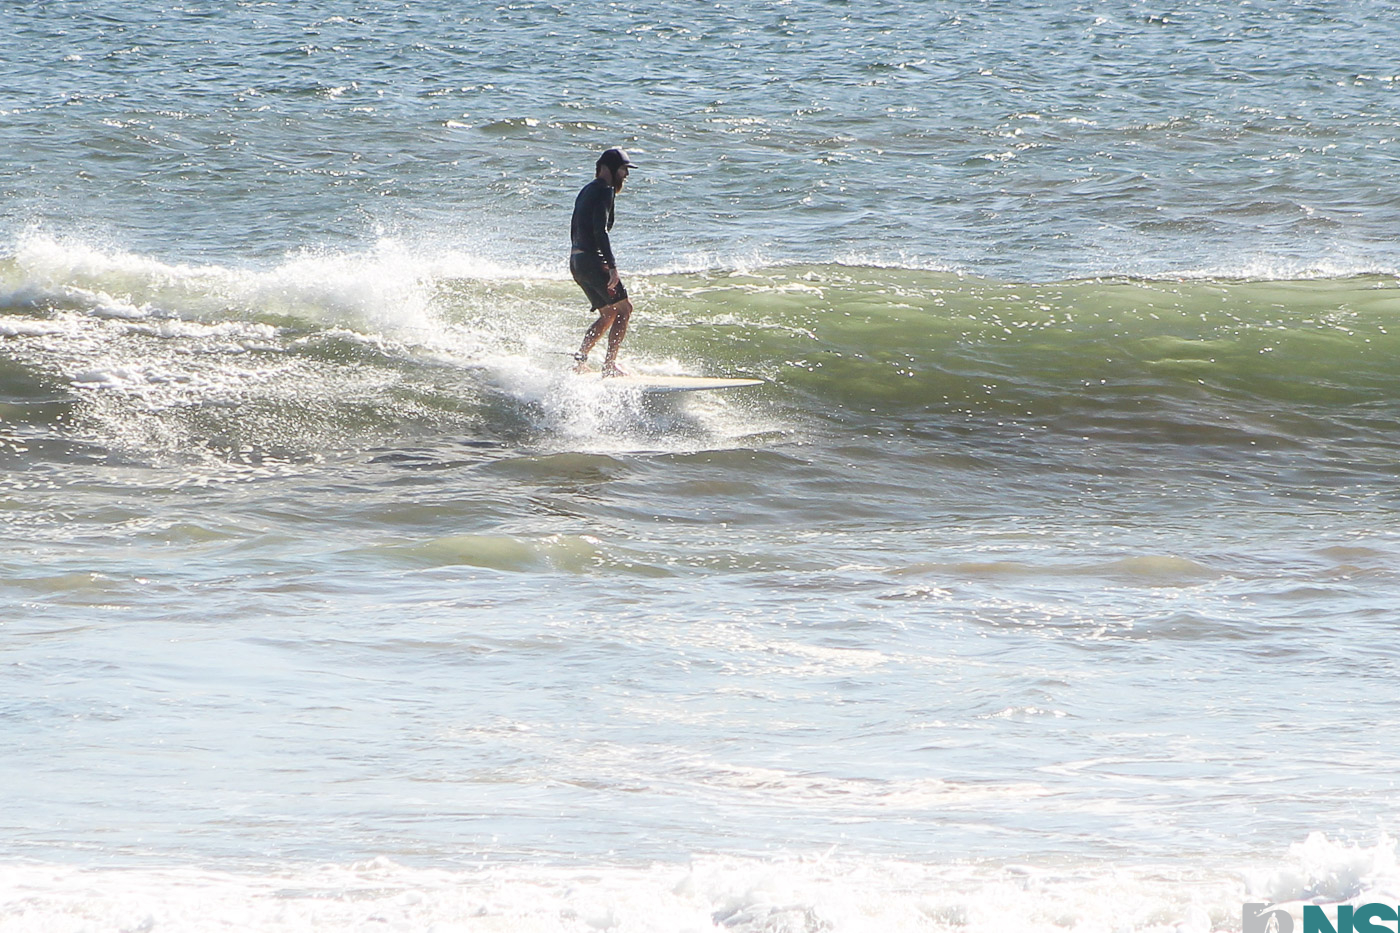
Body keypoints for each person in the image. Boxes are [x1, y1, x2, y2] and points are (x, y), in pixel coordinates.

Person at [570, 147, 637, 377]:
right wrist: (612, 267)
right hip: (592, 259)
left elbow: (575, 227)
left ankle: (579, 361)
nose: (625, 175)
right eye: (623, 170)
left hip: (577, 260)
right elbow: (601, 231)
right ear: (609, 169)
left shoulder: (586, 190)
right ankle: (609, 366)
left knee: (608, 314)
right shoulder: (605, 190)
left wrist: (580, 260)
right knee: (625, 309)